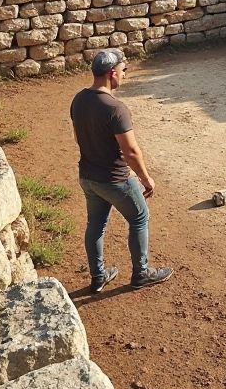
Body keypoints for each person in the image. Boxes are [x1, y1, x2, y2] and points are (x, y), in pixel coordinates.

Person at [69, 48, 172, 294]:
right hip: (115, 179)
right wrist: (146, 179)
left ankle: (98, 277)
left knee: (96, 224)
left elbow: (77, 137)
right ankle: (141, 273)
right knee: (139, 218)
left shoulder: (79, 99)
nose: (124, 75)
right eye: (123, 70)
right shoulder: (115, 109)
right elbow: (131, 151)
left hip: (88, 177)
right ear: (112, 74)